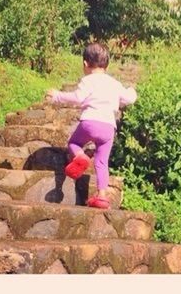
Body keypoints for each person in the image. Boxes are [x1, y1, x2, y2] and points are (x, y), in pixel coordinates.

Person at [46, 42, 137, 209]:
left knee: (74, 143)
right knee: (102, 161)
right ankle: (102, 196)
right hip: (109, 127)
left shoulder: (88, 80)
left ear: (85, 64)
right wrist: (132, 90)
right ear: (107, 65)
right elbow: (129, 98)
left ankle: (80, 156)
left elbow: (78, 97)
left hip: (90, 122)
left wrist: (57, 96)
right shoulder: (114, 83)